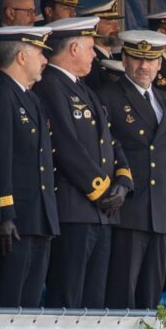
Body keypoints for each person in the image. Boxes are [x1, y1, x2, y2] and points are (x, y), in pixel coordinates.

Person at [33, 17, 133, 309]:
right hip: (75, 208)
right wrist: (102, 190)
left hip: (101, 212)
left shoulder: (83, 89)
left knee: (93, 301)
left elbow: (110, 140)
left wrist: (124, 182)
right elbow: (65, 144)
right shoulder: (51, 85)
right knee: (68, 297)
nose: (94, 55)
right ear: (74, 48)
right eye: (90, 48)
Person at [0, 26, 59, 308]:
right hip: (16, 219)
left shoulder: (31, 97)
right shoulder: (2, 93)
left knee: (29, 306)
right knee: (7, 301)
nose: (45, 60)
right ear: (22, 57)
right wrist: (5, 213)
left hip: (37, 216)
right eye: (40, 53)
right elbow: (0, 157)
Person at [101, 30, 166, 310]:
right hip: (129, 209)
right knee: (123, 295)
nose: (144, 66)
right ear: (124, 59)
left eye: (151, 60)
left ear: (160, 63)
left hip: (161, 210)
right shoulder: (108, 97)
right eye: (136, 58)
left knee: (151, 297)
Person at [82, 0, 124, 90]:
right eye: (109, 23)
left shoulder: (117, 57)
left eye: (116, 22)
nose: (117, 27)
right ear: (93, 27)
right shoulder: (90, 62)